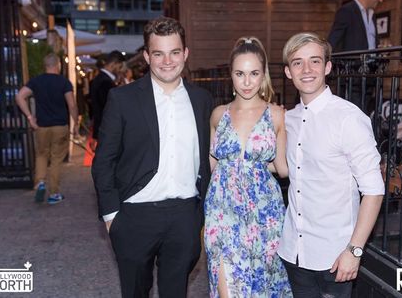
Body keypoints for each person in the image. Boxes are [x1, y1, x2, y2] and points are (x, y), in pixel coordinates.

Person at [91, 17, 213, 298]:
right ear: (147, 56)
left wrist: (201, 216)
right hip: (134, 216)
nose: (167, 61)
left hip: (184, 216)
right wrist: (112, 218)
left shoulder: (202, 99)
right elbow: (103, 161)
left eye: (174, 52)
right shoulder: (123, 99)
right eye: (158, 53)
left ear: (185, 54)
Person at [278, 32, 384, 298]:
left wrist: (354, 250)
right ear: (288, 72)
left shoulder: (348, 119)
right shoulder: (288, 119)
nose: (307, 69)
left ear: (327, 67)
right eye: (297, 62)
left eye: (315, 61)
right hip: (294, 251)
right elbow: (285, 169)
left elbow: (373, 189)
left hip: (335, 257)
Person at [204, 36, 292, 297]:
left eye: (254, 73)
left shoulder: (277, 114)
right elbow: (214, 167)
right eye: (240, 73)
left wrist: (256, 166)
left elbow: (283, 168)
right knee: (226, 288)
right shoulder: (218, 114)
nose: (246, 81)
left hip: (263, 214)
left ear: (263, 74)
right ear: (230, 75)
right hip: (222, 212)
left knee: (260, 287)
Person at [15, 53, 79, 204]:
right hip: (60, 126)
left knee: (41, 155)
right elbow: (72, 105)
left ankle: (40, 182)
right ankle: (54, 193)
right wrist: (75, 123)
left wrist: (30, 118)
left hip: (42, 126)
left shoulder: (36, 81)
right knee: (56, 159)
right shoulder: (64, 82)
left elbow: (19, 96)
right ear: (58, 65)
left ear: (45, 65)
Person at [89, 50, 124, 140]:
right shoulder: (105, 82)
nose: (120, 70)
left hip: (103, 128)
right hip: (108, 129)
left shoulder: (100, 79)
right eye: (119, 66)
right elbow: (109, 107)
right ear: (114, 64)